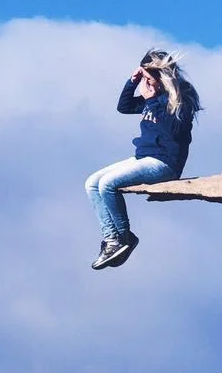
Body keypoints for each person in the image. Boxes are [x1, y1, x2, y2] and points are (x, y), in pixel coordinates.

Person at [85, 50, 201, 269]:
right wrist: (133, 81)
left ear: (162, 78)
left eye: (149, 79)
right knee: (92, 183)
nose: (145, 84)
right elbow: (124, 107)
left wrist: (153, 101)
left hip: (164, 163)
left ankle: (122, 239)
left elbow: (174, 132)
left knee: (108, 184)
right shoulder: (153, 98)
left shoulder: (179, 100)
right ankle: (112, 239)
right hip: (143, 158)